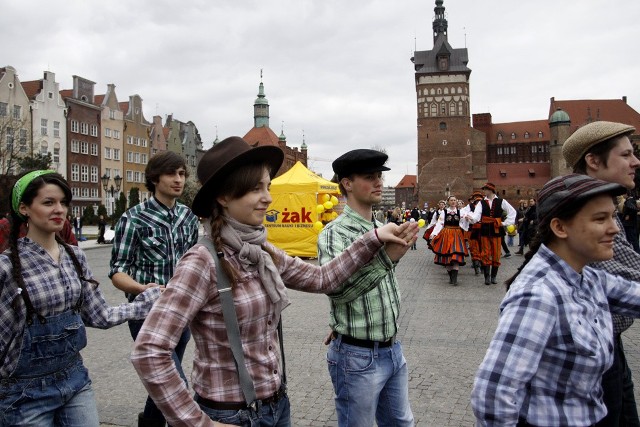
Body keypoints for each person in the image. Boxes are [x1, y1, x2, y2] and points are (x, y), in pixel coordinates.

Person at [130, 137, 417, 427]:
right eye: (256, 189)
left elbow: (321, 278)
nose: (268, 197)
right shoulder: (202, 261)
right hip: (232, 414)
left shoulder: (262, 252)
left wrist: (374, 238)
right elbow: (150, 351)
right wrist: (196, 422)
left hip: (276, 406)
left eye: (267, 186)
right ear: (224, 196)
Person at [471, 173, 640, 426]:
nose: (615, 228)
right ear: (560, 227)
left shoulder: (589, 277)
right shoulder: (539, 295)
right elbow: (493, 396)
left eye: (612, 216)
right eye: (600, 219)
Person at [0, 170, 160, 426]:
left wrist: (146, 300)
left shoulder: (75, 256)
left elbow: (99, 315)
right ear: (24, 208)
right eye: (48, 202)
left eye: (63, 203)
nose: (59, 209)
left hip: (75, 381)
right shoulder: (7, 267)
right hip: (23, 393)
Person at [317, 149, 415, 427]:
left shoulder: (384, 227)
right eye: (369, 177)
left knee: (401, 423)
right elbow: (337, 290)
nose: (379, 183)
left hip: (392, 349)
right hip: (358, 356)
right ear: (347, 183)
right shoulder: (334, 233)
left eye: (379, 177)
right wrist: (387, 259)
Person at [109, 151, 200, 427]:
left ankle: (148, 422)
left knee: (162, 385)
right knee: (175, 384)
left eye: (182, 174)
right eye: (172, 174)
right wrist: (140, 288)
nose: (178, 179)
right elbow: (117, 271)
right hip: (147, 314)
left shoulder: (188, 217)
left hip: (181, 313)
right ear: (154, 178)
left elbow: (195, 262)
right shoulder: (133, 218)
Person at [562, 120, 640, 427]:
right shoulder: (584, 211)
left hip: (608, 344)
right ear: (593, 161)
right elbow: (626, 278)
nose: (635, 161)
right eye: (626, 155)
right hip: (592, 351)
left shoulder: (600, 204)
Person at [478, 182, 516, 285]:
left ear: (490, 190)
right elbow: (477, 215)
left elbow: (512, 212)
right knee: (485, 253)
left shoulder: (501, 201)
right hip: (485, 229)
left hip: (496, 229)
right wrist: (470, 218)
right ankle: (487, 277)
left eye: (485, 189)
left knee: (496, 253)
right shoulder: (481, 202)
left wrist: (504, 223)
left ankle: (494, 276)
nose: (484, 191)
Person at [430, 195, 471, 285]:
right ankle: (451, 277)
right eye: (451, 200)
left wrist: (468, 219)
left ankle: (454, 279)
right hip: (446, 234)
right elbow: (439, 223)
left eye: (454, 200)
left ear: (456, 202)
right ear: (448, 202)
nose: (453, 202)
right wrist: (434, 233)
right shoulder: (444, 212)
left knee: (456, 255)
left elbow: (465, 222)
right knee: (447, 256)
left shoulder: (461, 212)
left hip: (457, 234)